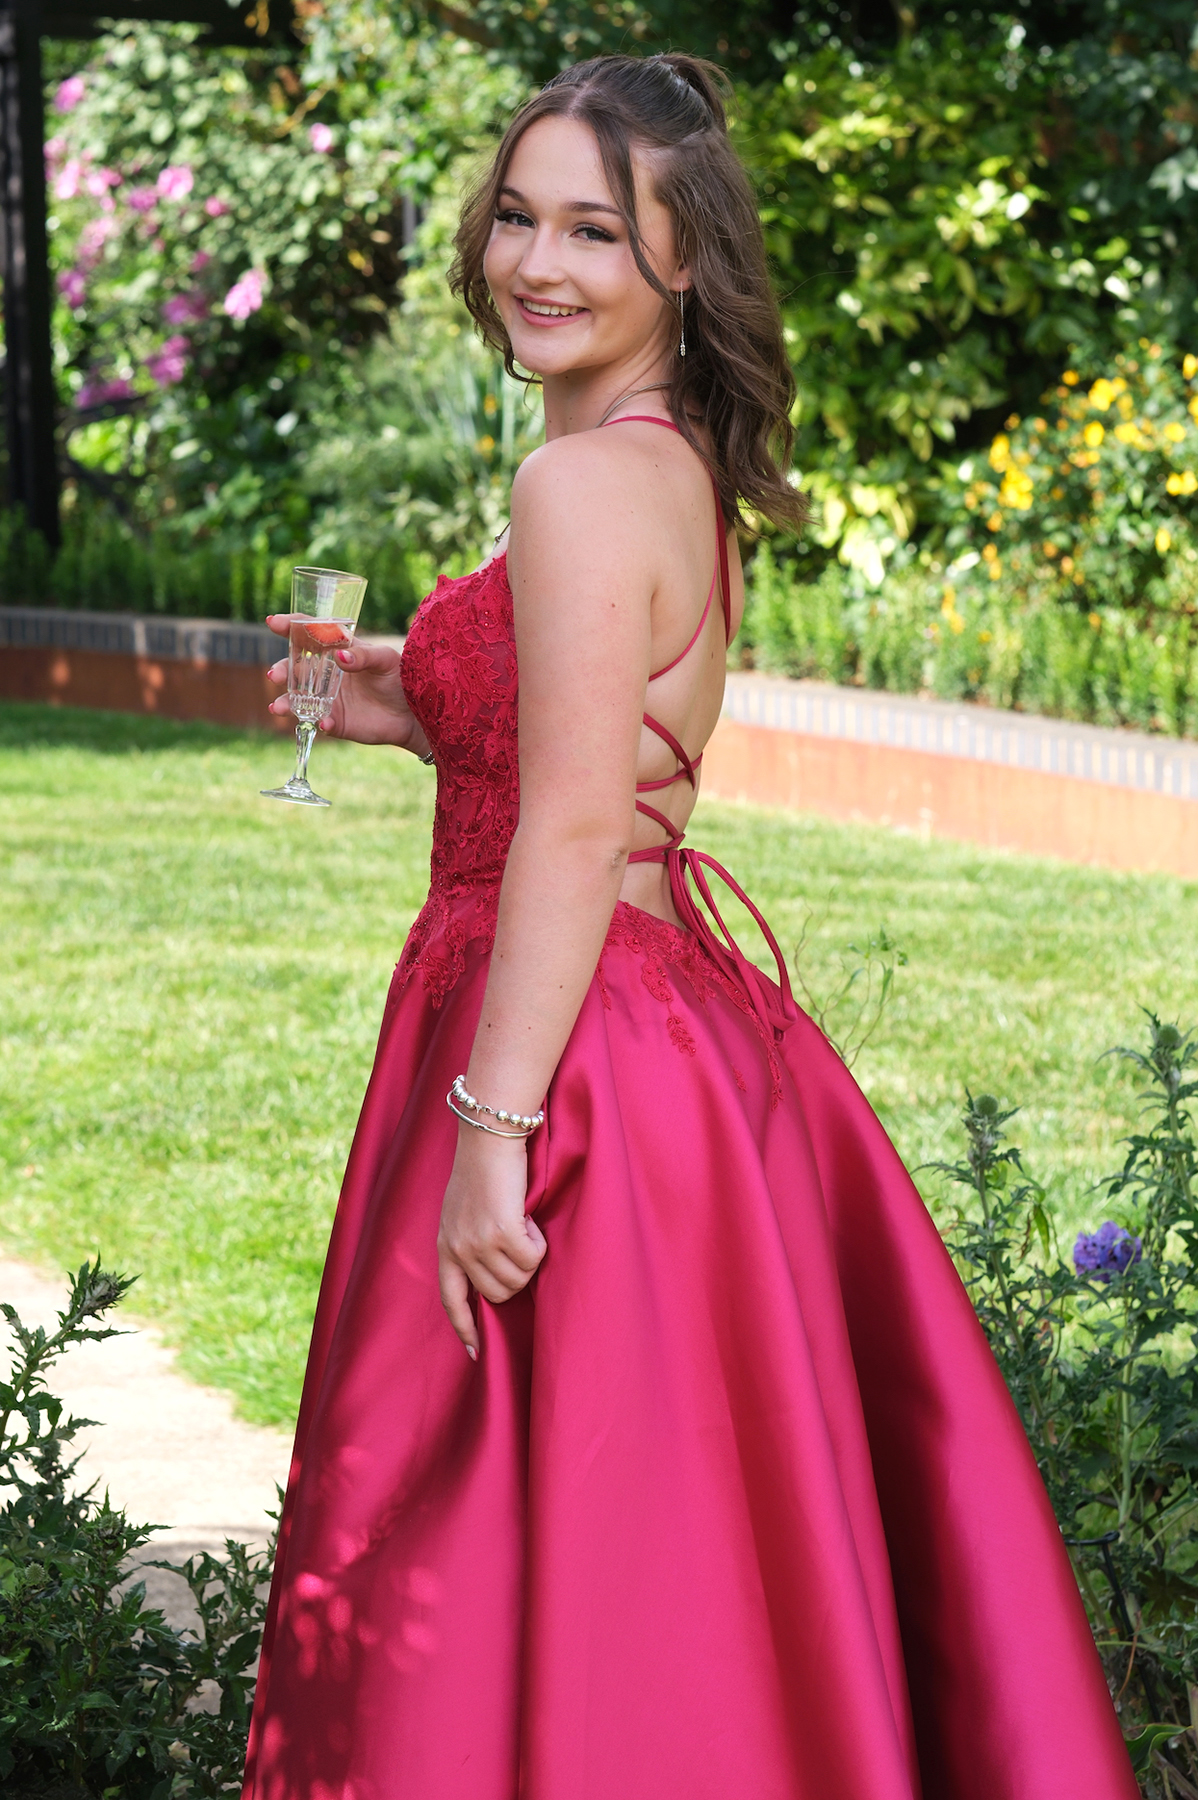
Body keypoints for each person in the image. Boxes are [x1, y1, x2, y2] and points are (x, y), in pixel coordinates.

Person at [242, 53, 1137, 1800]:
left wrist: (492, 1134)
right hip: (651, 1032)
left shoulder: (574, 488)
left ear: (682, 265)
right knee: (664, 1531)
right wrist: (405, 699)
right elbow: (583, 744)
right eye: (517, 215)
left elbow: (578, 825)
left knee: (518, 1530)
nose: (536, 262)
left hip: (559, 1054)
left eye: (595, 229)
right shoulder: (664, 466)